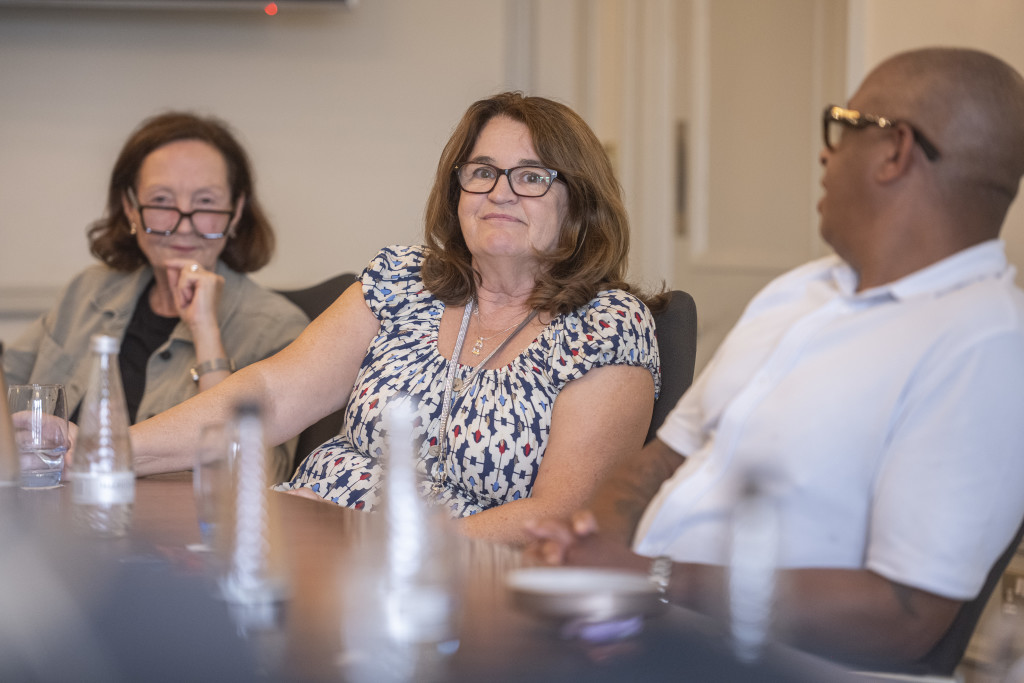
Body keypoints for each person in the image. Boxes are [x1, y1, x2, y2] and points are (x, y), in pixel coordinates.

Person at [524, 47, 1024, 671]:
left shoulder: (986, 345)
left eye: (844, 125)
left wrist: (650, 578)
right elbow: (658, 464)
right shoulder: (800, 290)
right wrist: (588, 551)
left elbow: (903, 617)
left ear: (895, 151)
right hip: (639, 635)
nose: (825, 150)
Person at [128, 92, 661, 544]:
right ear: (458, 194)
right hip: (298, 533)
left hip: (447, 585)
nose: (500, 191)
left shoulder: (607, 327)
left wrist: (377, 549)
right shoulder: (406, 280)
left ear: (580, 202)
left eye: (531, 176)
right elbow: (269, 395)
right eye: (482, 172)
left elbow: (557, 514)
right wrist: (108, 450)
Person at [3, 112, 309, 481]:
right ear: (131, 208)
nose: (183, 223)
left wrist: (206, 331)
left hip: (171, 533)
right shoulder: (87, 291)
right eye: (162, 201)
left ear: (236, 212)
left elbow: (254, 481)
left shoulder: (280, 329)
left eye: (206, 202)